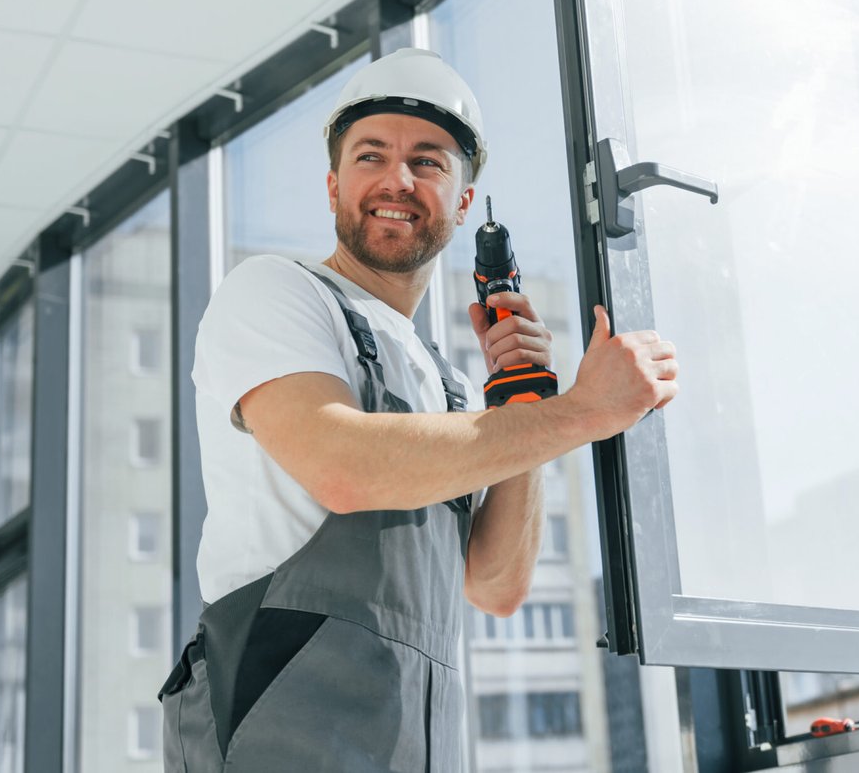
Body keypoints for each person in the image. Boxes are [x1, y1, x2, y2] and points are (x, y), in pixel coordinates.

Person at [158, 47, 679, 772]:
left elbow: (496, 585)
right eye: (371, 155)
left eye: (428, 161)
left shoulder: (446, 386)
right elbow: (341, 466)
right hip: (278, 739)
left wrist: (523, 395)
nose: (396, 180)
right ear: (335, 183)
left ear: (464, 202)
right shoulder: (276, 293)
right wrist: (585, 412)